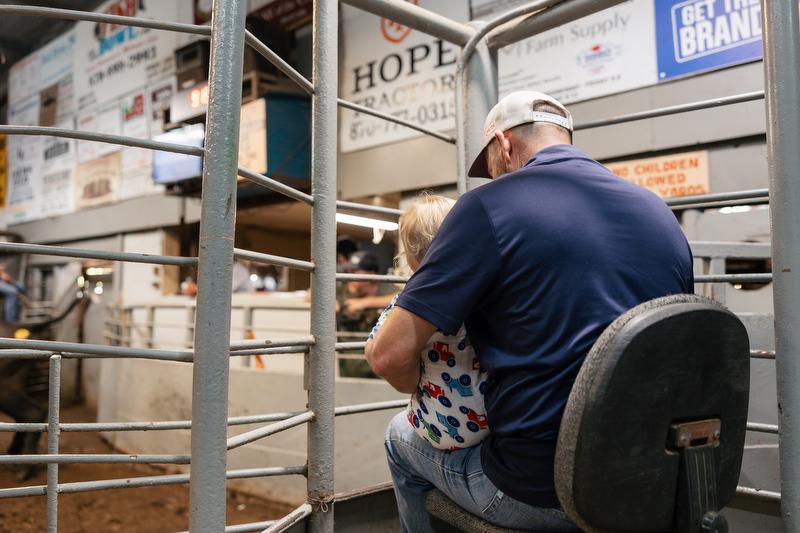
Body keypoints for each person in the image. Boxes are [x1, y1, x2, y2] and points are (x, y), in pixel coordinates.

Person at [366, 91, 694, 533]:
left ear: (504, 144)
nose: (493, 178)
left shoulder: (488, 207)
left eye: (492, 167)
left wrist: (416, 383)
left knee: (397, 437)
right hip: (648, 476)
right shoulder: (658, 211)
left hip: (539, 488)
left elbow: (387, 355)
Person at [369, 194, 489, 450]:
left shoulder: (409, 301)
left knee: (396, 434)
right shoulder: (483, 290)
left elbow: (376, 350)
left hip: (441, 428)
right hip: (490, 421)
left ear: (410, 255)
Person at [337, 251, 397, 378]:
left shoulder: (385, 289)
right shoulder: (344, 290)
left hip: (381, 370)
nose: (350, 276)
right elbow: (311, 293)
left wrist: (367, 302)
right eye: (349, 271)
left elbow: (403, 297)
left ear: (371, 275)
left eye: (355, 271)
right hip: (350, 368)